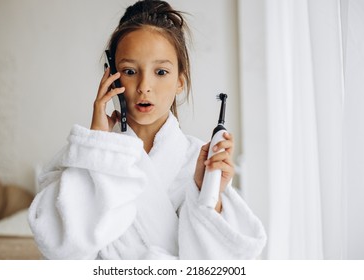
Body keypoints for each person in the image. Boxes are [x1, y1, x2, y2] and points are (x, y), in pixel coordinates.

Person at [28, 0, 266, 260]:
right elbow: (60, 247)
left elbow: (219, 263)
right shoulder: (86, 152)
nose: (144, 86)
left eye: (161, 72)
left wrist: (208, 196)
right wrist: (97, 146)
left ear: (180, 82)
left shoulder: (198, 159)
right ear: (111, 77)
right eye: (130, 71)